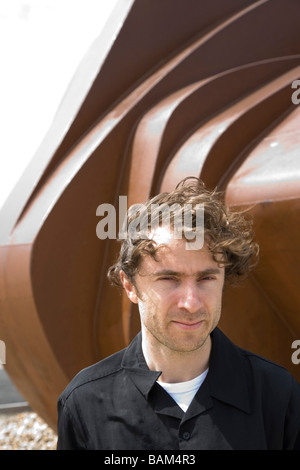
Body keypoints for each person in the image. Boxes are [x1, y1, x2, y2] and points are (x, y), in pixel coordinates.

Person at [56, 177, 300, 450]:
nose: (192, 303)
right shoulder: (84, 402)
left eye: (206, 278)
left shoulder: (277, 394)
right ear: (130, 286)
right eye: (169, 279)